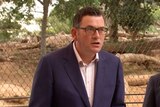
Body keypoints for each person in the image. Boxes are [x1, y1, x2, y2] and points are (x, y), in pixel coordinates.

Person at [29, 6, 126, 107]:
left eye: (101, 30)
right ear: (74, 33)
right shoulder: (50, 64)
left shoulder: (114, 64)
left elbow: (118, 104)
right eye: (90, 29)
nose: (97, 35)